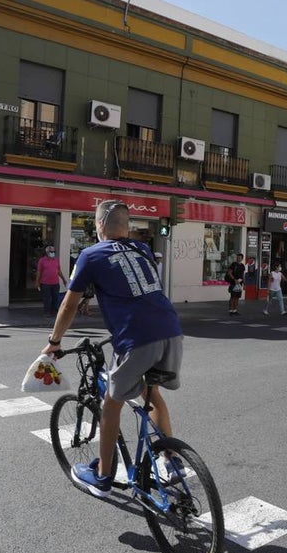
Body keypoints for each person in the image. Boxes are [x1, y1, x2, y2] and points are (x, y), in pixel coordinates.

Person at [43, 200, 183, 498]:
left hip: (135, 338)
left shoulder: (91, 255)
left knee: (111, 404)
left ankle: (103, 476)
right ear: (127, 226)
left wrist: (55, 342)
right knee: (151, 394)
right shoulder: (142, 249)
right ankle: (171, 461)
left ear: (100, 225)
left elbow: (68, 302)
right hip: (171, 331)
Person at [36, 244, 68, 317]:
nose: (53, 253)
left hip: (55, 283)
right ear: (47, 252)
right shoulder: (42, 260)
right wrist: (37, 282)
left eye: (54, 251)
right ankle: (46, 312)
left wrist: (63, 279)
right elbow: (39, 272)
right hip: (45, 283)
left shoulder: (56, 260)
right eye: (51, 251)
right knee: (46, 298)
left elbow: (59, 271)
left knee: (55, 297)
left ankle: (53, 311)